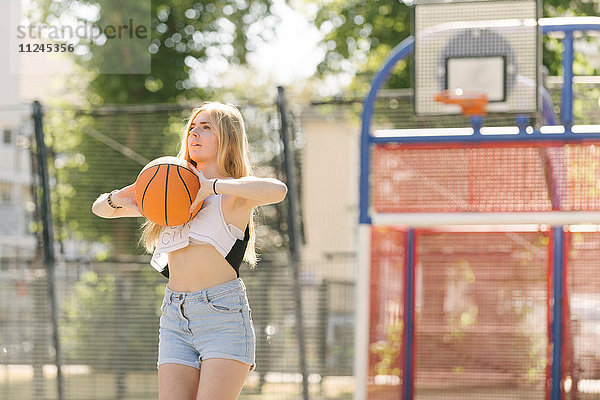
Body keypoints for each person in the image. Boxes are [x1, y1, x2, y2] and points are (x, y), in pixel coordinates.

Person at [91, 102, 288, 400]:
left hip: (222, 316)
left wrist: (213, 187)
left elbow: (277, 190)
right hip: (174, 316)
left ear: (228, 138)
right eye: (192, 128)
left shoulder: (233, 195)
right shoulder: (169, 191)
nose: (194, 133)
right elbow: (100, 209)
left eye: (206, 127)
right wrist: (128, 192)